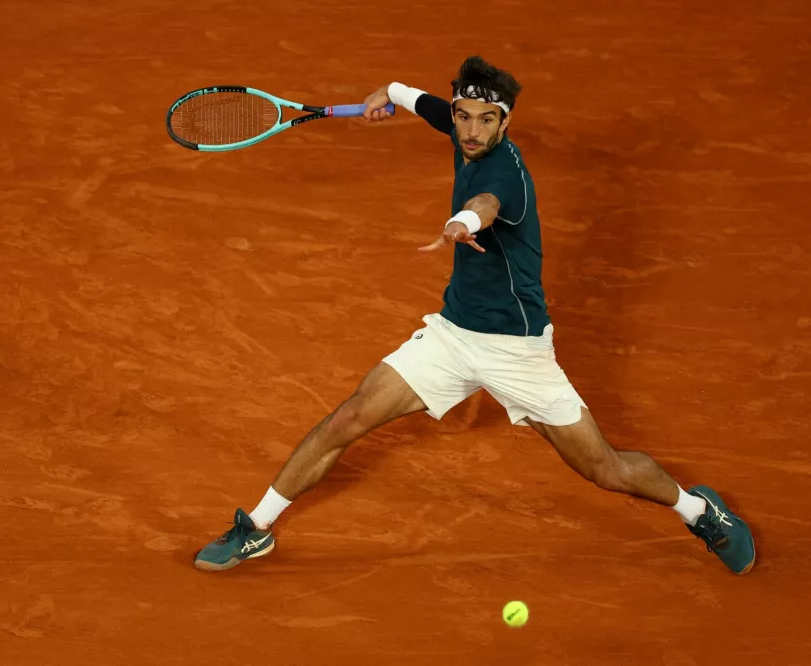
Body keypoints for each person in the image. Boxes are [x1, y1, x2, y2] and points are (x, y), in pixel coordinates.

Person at [194, 55, 756, 576]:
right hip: (453, 336)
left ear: (505, 123)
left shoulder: (503, 175)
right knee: (349, 418)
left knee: (604, 469)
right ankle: (259, 527)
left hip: (517, 352)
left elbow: (486, 205)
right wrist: (387, 92)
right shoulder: (462, 130)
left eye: (486, 120)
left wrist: (463, 223)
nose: (471, 131)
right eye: (464, 116)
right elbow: (424, 104)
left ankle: (697, 509)